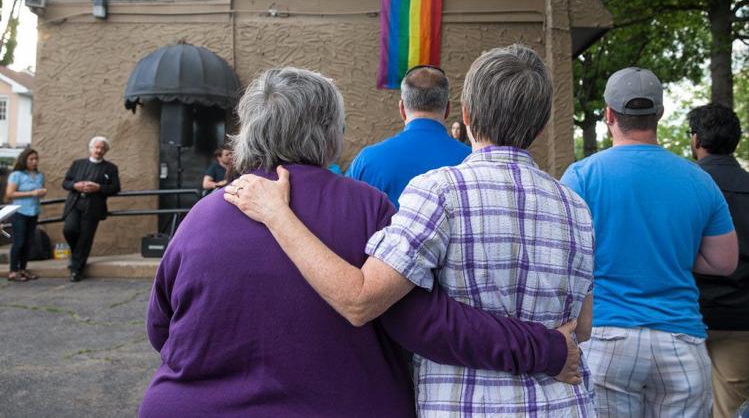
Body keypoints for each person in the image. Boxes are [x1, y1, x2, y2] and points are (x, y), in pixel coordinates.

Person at [143, 67, 582, 417]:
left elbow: (160, 328)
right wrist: (545, 348)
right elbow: (425, 324)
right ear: (332, 131)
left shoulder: (202, 215)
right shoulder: (366, 209)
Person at [561, 68, 739, 417]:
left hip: (607, 336)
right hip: (680, 341)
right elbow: (724, 262)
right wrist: (676, 253)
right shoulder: (699, 180)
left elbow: (563, 255)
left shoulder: (581, 176)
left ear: (609, 114)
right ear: (659, 113)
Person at [688, 103, 749, 418]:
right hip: (741, 318)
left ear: (696, 140)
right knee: (730, 410)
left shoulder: (682, 186)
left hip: (689, 316)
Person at [346, 64, 470, 207]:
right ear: (448, 109)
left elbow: (346, 217)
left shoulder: (366, 160)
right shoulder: (471, 160)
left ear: (401, 109)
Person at [62, 136, 121, 282]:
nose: (99, 150)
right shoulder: (78, 164)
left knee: (85, 239)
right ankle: (76, 256)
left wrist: (99, 187)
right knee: (69, 229)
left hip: (93, 207)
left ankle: (76, 270)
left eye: (102, 148)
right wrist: (75, 185)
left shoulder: (111, 168)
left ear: (106, 151)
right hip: (75, 204)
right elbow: (65, 182)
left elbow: (115, 188)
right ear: (91, 148)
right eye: (97, 147)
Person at [5, 148, 46, 282]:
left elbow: (39, 191)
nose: (34, 162)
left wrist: (41, 193)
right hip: (19, 212)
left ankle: (22, 269)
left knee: (29, 242)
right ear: (25, 160)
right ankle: (12, 271)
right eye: (31, 159)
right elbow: (9, 194)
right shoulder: (17, 175)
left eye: (36, 159)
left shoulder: (39, 175)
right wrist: (32, 193)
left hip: (33, 212)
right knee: (19, 242)